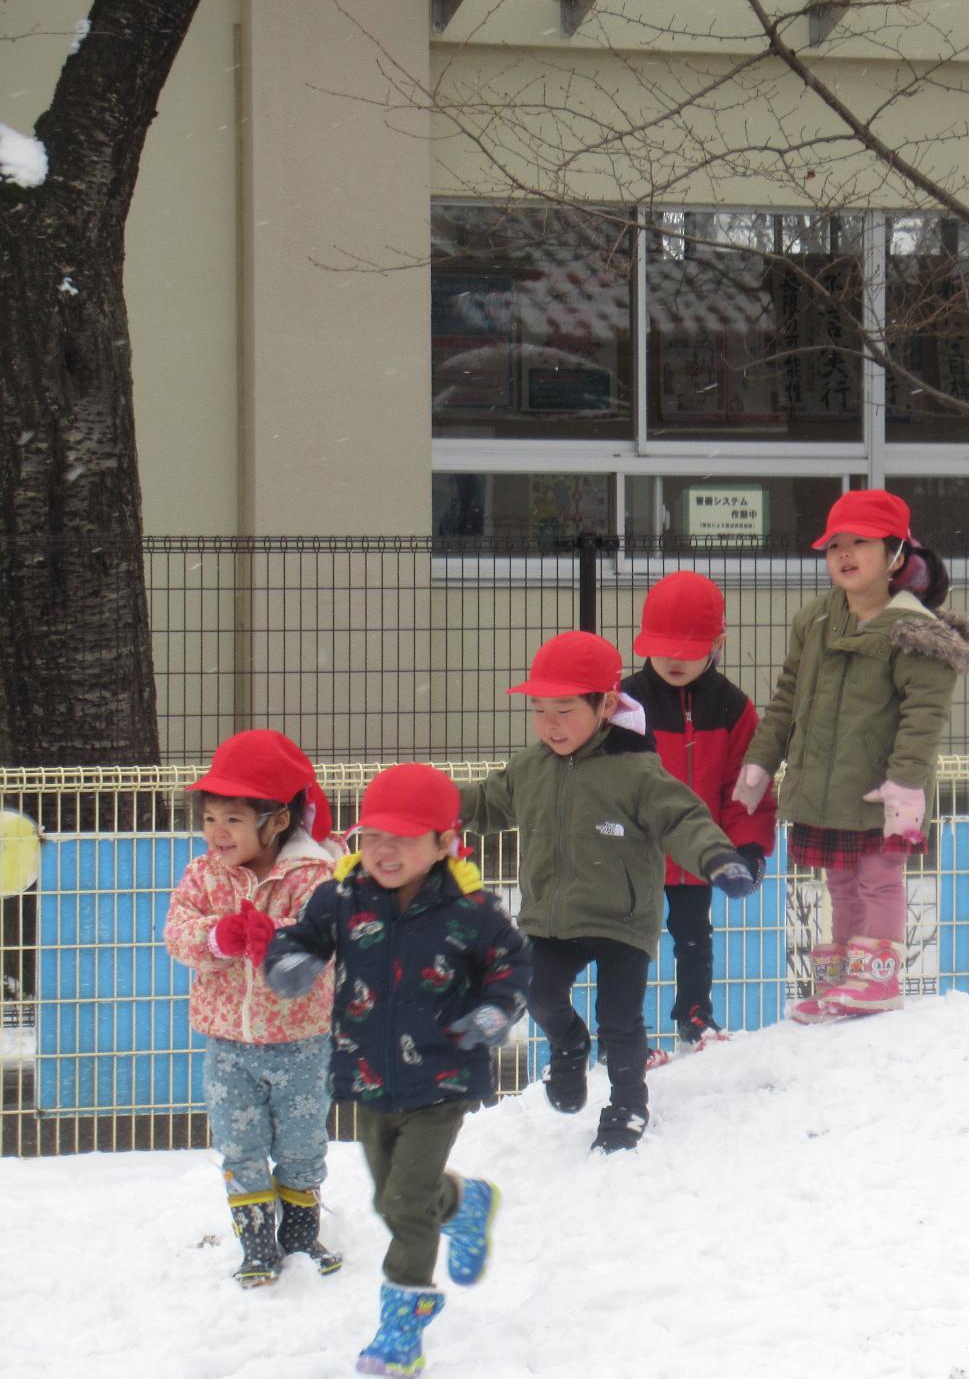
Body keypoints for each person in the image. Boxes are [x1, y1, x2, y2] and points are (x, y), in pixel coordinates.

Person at [263, 763, 528, 1378]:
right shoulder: (343, 897)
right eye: (374, 836)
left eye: (404, 838)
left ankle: (401, 1325)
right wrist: (291, 963)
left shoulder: (472, 910)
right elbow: (297, 938)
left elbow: (511, 968)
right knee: (391, 1195)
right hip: (369, 1076)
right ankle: (462, 1203)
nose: (384, 851)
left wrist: (491, 1014)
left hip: (444, 1078)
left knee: (405, 1200)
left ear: (444, 843)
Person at [456, 630, 758, 1152]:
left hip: (621, 920)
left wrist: (718, 857)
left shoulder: (635, 770)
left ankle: (628, 1105)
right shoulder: (532, 767)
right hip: (551, 918)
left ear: (607, 704)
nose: (550, 725)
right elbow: (485, 805)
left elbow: (681, 818)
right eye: (539, 711)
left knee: (620, 1021)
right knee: (539, 992)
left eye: (565, 710)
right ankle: (569, 1048)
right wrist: (423, 801)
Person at [735, 489, 969, 1023]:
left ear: (895, 554)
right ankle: (843, 982)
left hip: (882, 787)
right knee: (840, 880)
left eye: (859, 544)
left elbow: (923, 720)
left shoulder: (915, 632)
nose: (843, 555)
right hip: (826, 782)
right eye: (833, 546)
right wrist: (761, 760)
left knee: (878, 878)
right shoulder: (817, 621)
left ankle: (879, 979)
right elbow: (786, 698)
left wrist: (906, 785)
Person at [162, 729, 343, 1289]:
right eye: (210, 817)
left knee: (302, 1142)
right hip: (227, 1045)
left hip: (301, 1042)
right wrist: (218, 936)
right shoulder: (202, 875)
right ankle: (256, 1245)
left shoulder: (312, 876)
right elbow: (178, 933)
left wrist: (276, 938)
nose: (217, 833)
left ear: (277, 820)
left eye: (233, 819)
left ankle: (301, 1234)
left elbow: (328, 938)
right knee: (240, 1146)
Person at [623, 571, 777, 1052]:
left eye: (686, 649)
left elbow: (744, 786)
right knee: (627, 944)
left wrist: (748, 846)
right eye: (662, 647)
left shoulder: (733, 708)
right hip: (636, 854)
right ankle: (620, 1032)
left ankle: (695, 1016)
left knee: (694, 938)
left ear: (718, 643)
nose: (671, 659)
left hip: (695, 854)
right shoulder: (625, 704)